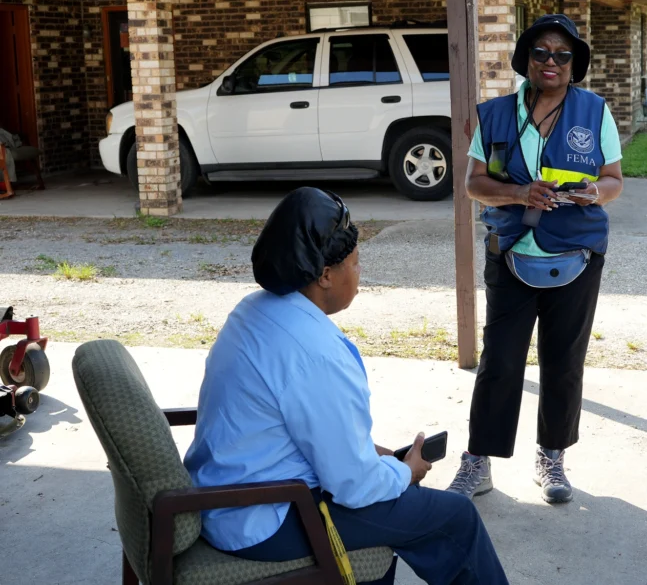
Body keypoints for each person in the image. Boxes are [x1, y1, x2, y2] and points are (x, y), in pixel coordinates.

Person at [183, 187, 508, 585]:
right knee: (455, 519)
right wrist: (405, 473)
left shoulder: (253, 311)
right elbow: (354, 486)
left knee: (399, 512)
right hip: (262, 518)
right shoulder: (315, 353)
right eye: (354, 263)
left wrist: (371, 454)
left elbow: (293, 425)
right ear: (324, 276)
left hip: (228, 495)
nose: (359, 274)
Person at [444, 14, 624, 505]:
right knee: (500, 361)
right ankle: (478, 460)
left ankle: (552, 457)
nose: (551, 62)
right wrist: (521, 193)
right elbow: (474, 184)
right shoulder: (494, 114)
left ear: (573, 65)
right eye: (541, 53)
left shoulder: (594, 112)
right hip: (510, 251)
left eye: (562, 55)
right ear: (525, 60)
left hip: (577, 253)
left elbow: (614, 179)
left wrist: (594, 192)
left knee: (564, 362)